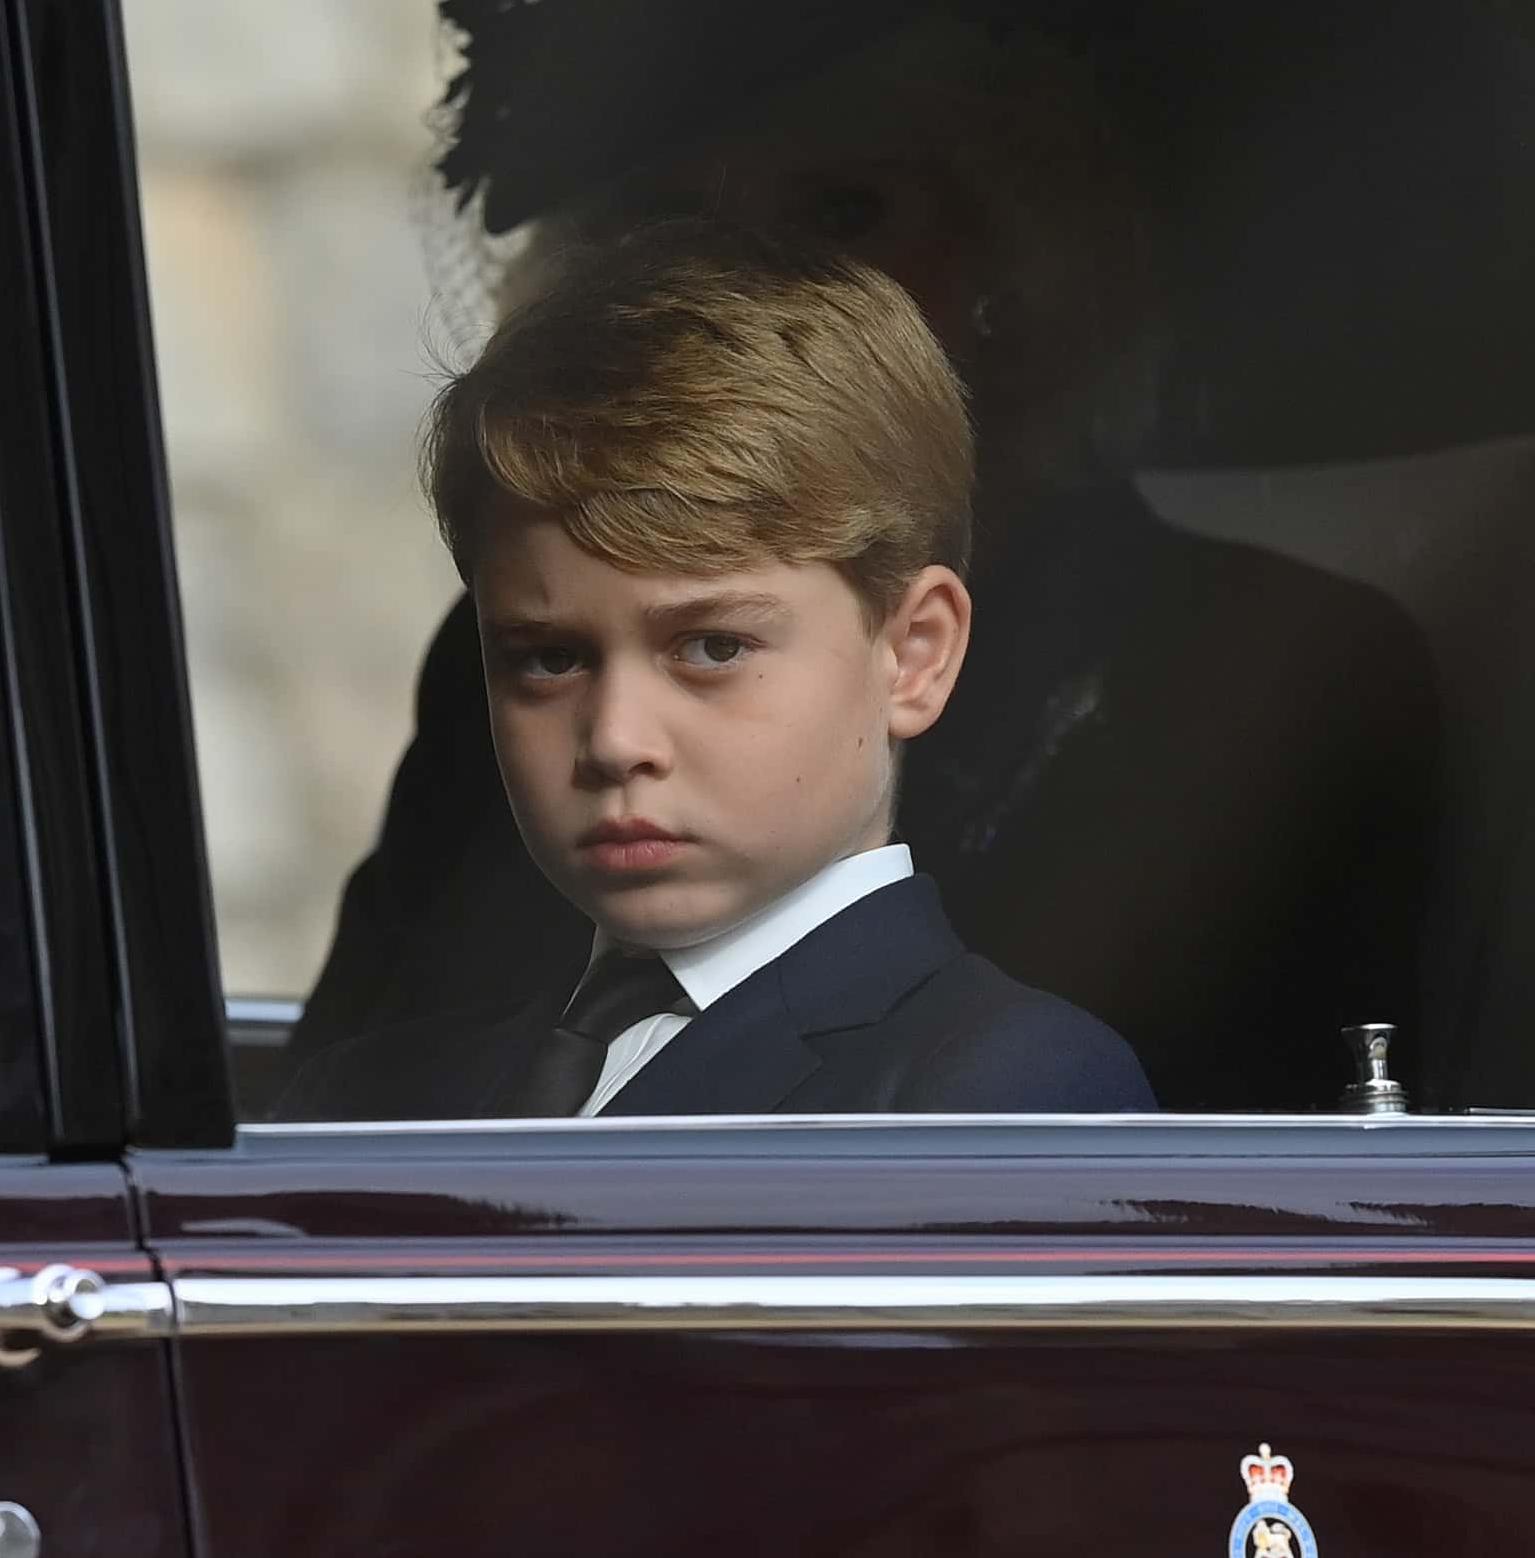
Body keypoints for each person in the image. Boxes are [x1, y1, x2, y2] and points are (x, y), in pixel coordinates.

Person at [289, 0, 1441, 1114]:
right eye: (671, 217)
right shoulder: (520, 659)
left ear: (1027, 240)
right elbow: (346, 1119)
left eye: (846, 205)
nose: (613, 726)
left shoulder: (1273, 661)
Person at [282, 223, 1156, 1119]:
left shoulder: (1003, 1089)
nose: (617, 740)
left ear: (913, 654)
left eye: (713, 648)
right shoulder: (377, 1091)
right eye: (549, 659)